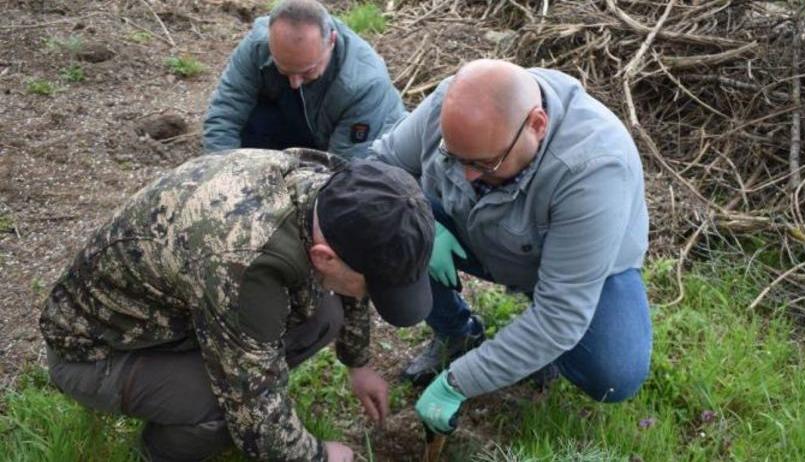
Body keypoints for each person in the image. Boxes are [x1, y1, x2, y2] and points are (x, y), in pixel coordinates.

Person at [40, 148, 435, 461]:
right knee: (227, 411)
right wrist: (317, 456)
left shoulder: (333, 190)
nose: (368, 298)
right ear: (324, 257)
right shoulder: (243, 261)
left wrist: (358, 361)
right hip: (97, 350)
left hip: (182, 311)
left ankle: (229, 374)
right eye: (371, 288)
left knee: (325, 314)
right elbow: (253, 414)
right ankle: (159, 453)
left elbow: (355, 270)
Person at [369, 59, 652, 434]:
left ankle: (536, 353)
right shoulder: (452, 107)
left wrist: (458, 383)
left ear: (537, 125)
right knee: (383, 222)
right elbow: (377, 169)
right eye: (455, 158)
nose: (467, 174)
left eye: (485, 162)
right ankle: (457, 334)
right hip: (475, 229)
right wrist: (424, 224)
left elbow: (559, 316)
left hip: (572, 264)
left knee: (614, 373)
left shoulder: (594, 168)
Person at [203, 0, 405, 158]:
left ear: (331, 41)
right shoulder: (258, 44)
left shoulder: (365, 84)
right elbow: (225, 114)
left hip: (358, 146)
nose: (294, 82)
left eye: (306, 71)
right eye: (283, 69)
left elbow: (345, 170)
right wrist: (221, 179)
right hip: (301, 119)